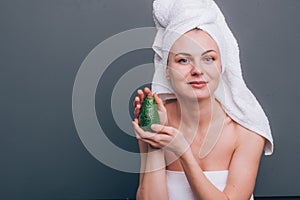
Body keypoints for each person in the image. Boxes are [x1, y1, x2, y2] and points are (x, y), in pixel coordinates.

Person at [132, 0, 273, 199]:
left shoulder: (246, 131)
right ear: (167, 71)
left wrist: (183, 151)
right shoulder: (157, 120)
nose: (197, 70)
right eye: (183, 60)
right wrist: (154, 142)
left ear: (221, 66)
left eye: (208, 59)